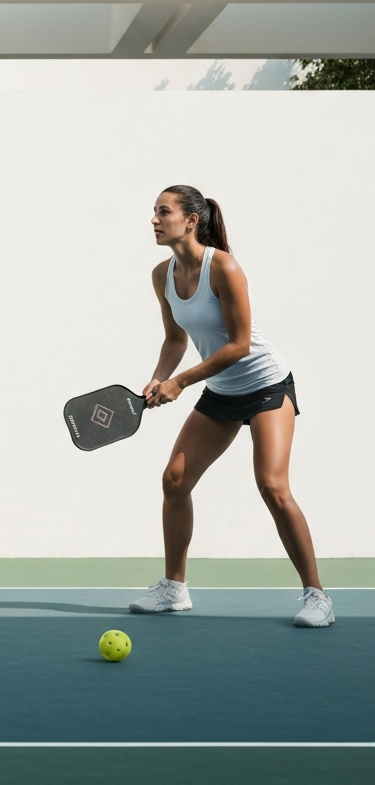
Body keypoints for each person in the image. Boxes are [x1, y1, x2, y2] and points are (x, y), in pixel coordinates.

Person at [129, 185, 333, 628]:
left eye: (163, 212)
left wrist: (181, 381)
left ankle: (317, 596)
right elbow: (175, 338)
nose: (154, 220)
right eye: (154, 212)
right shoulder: (161, 274)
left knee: (273, 487)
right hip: (220, 390)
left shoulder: (223, 267)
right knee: (175, 480)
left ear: (191, 220)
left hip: (265, 385)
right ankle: (174, 589)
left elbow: (240, 345)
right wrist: (160, 376)